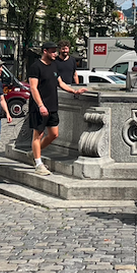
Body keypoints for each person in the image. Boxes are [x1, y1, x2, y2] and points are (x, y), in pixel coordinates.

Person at [28, 41, 87, 176]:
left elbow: (60, 83)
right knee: (38, 135)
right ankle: (38, 164)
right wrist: (40, 105)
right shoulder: (35, 67)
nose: (55, 53)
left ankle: (34, 153)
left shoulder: (54, 65)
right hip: (39, 107)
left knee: (54, 134)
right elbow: (33, 88)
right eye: (53, 51)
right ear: (45, 51)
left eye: (56, 51)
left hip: (52, 105)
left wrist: (74, 91)